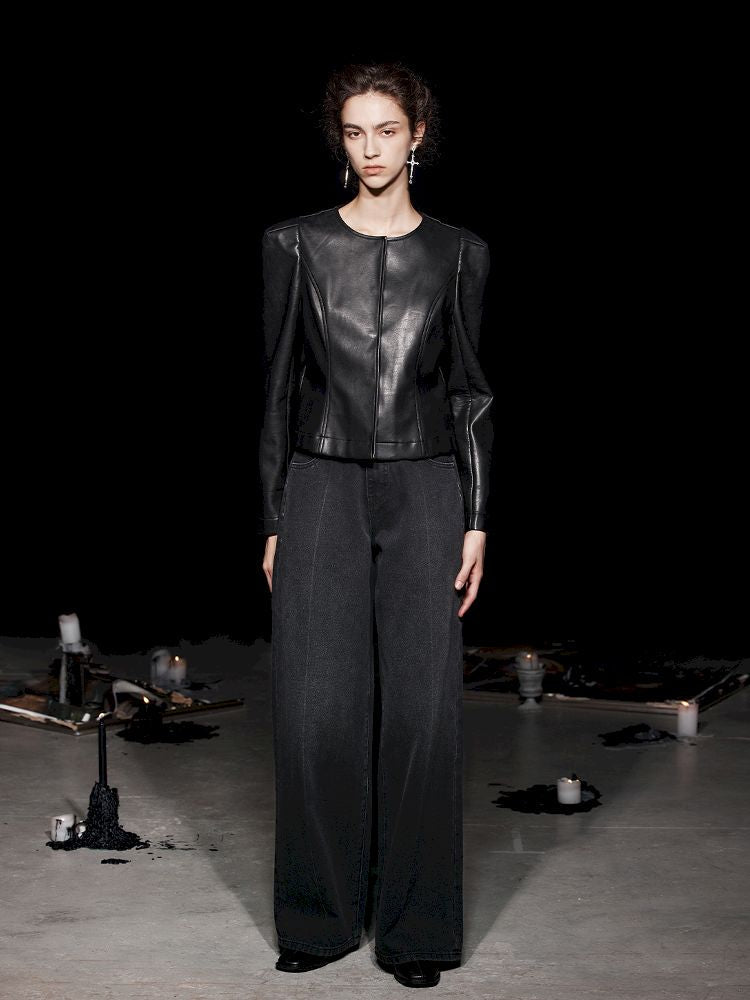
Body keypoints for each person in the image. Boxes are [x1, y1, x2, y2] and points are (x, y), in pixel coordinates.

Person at [257, 60, 494, 990]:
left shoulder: (460, 253)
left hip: (428, 488)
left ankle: (417, 932)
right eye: (355, 132)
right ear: (340, 139)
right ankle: (317, 920)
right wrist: (273, 513)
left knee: (424, 714)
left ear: (417, 135)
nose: (371, 149)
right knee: (316, 710)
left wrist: (477, 516)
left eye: (387, 130)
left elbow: (471, 392)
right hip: (319, 485)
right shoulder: (294, 244)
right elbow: (277, 389)